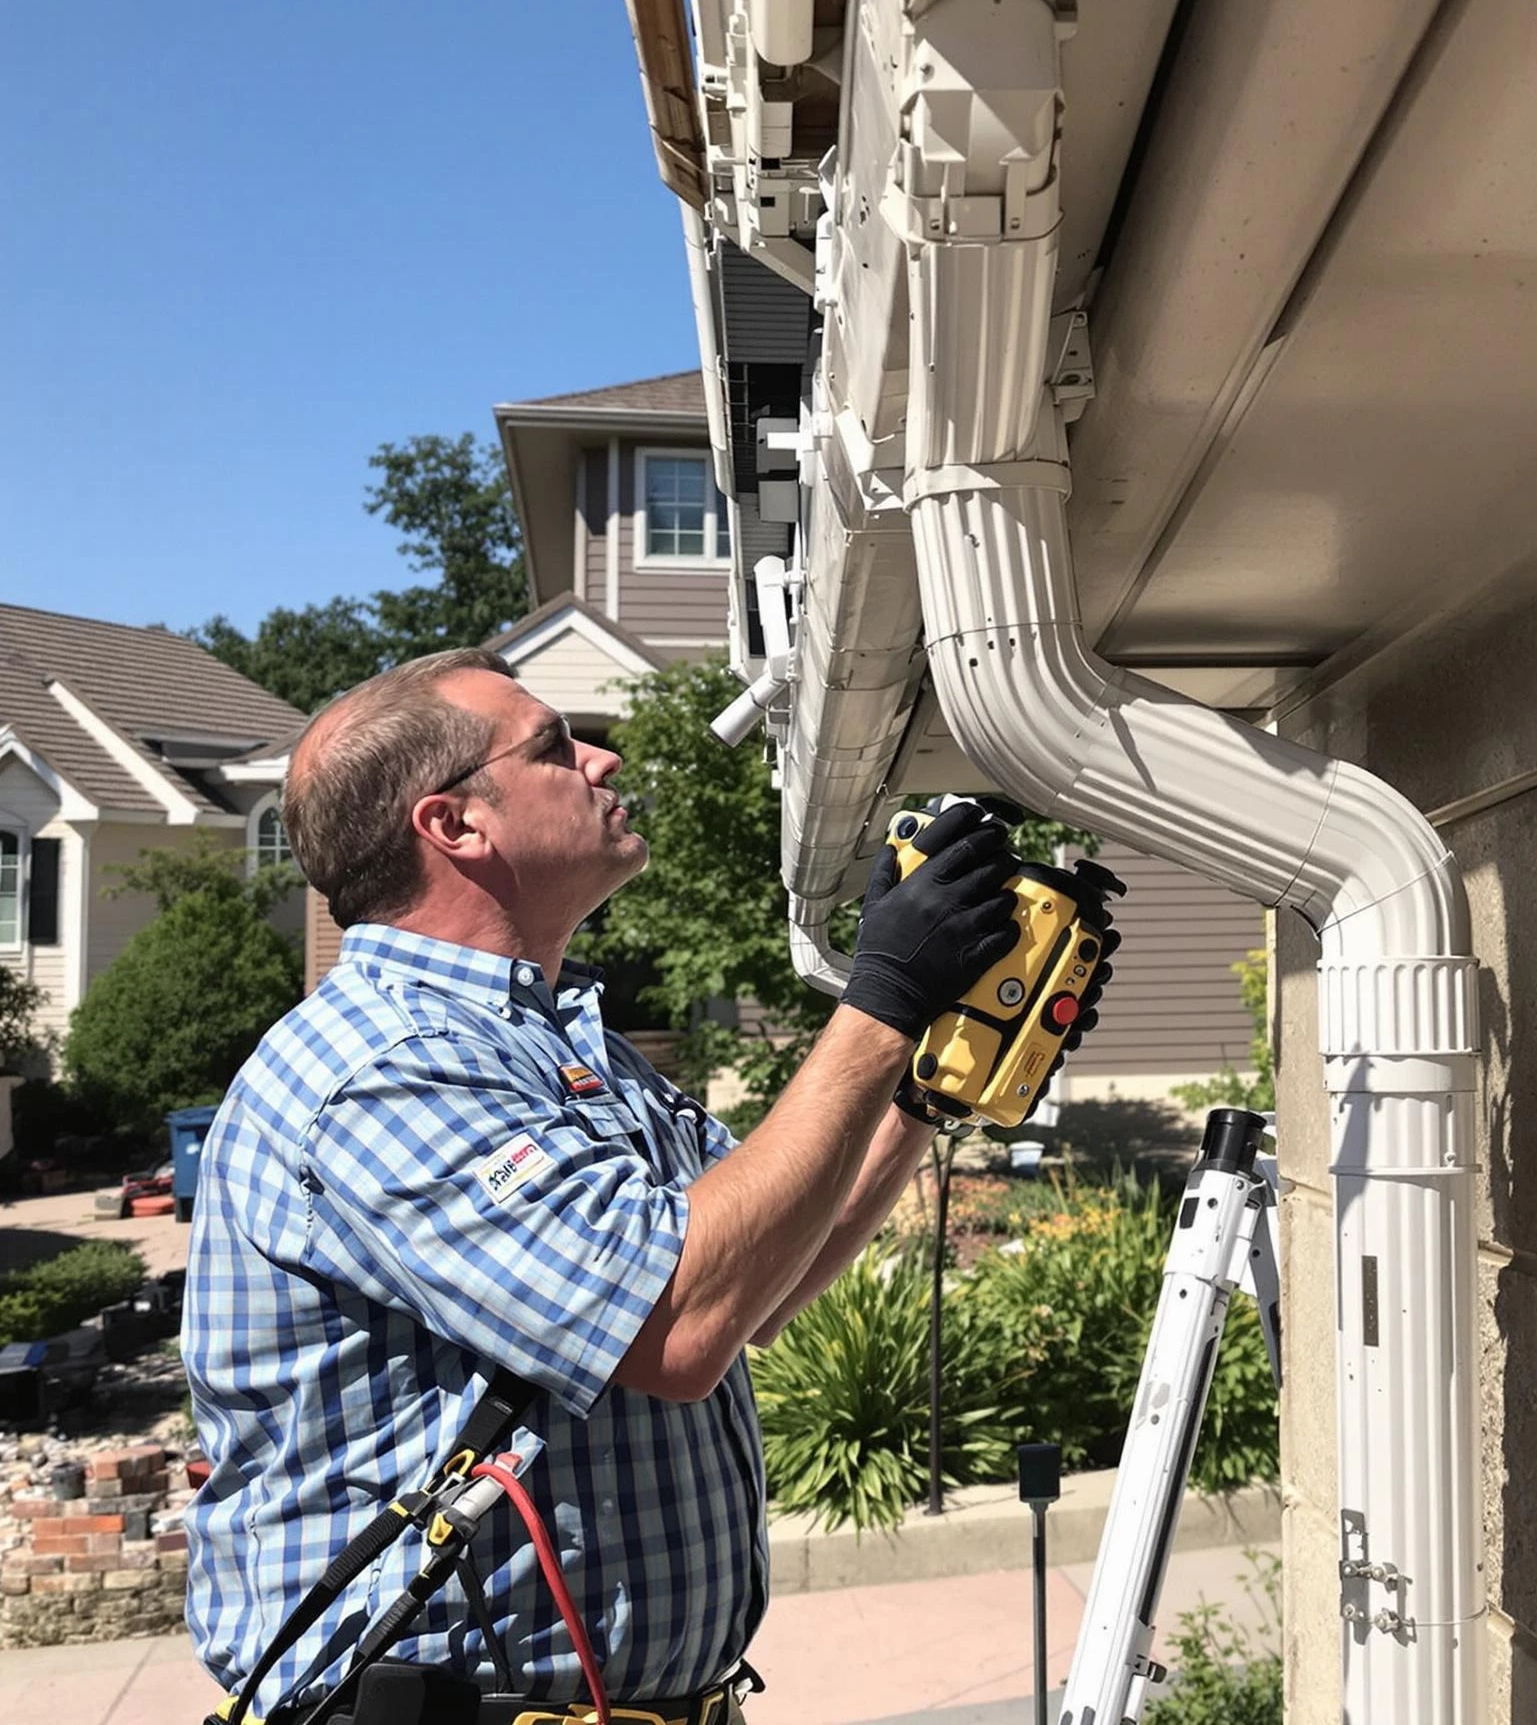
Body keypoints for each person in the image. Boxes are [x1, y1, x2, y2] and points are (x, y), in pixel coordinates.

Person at [185, 648, 1087, 1722]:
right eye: (556, 747)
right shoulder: (377, 1067)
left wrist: (932, 1078)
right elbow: (678, 1322)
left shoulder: (561, 1044)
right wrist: (884, 995)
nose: (604, 758)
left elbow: (760, 1277)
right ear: (454, 826)